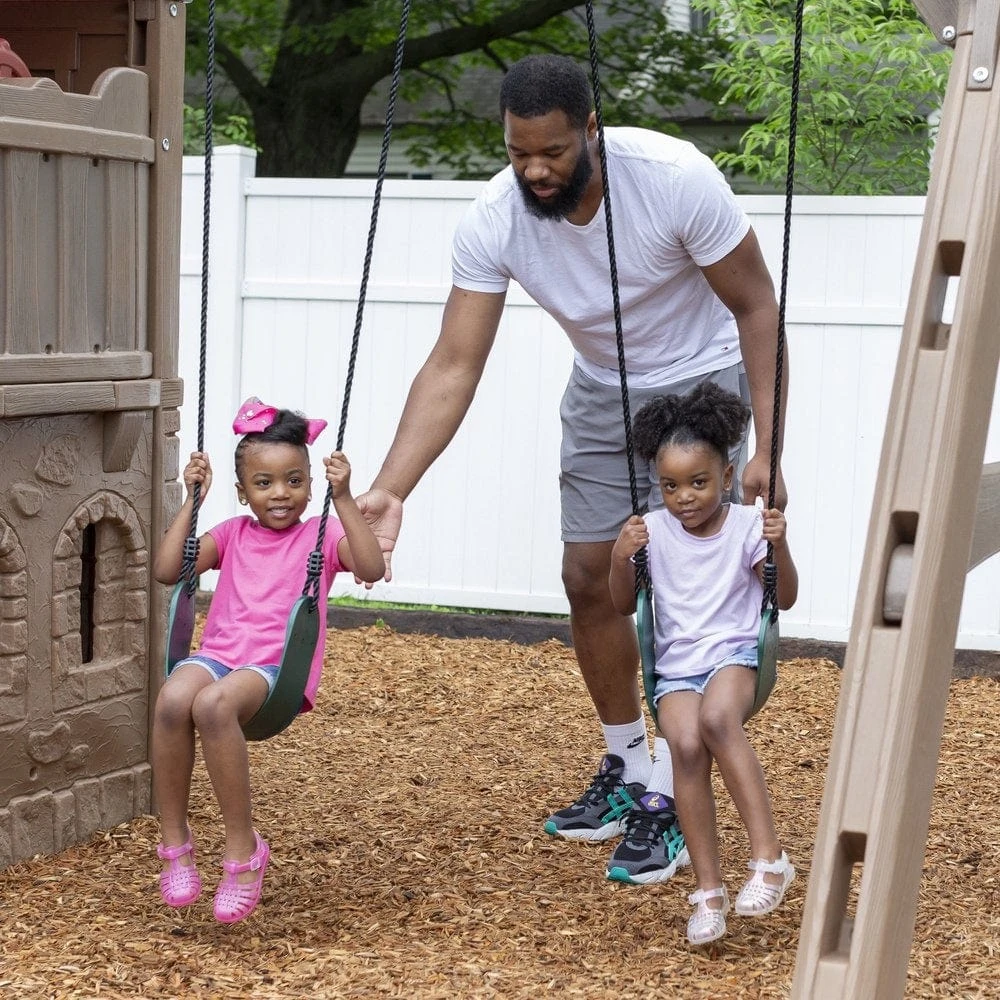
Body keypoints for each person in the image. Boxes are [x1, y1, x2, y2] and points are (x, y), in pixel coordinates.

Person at [355, 53, 788, 882]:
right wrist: (390, 486)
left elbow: (756, 305)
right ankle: (626, 764)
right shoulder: (496, 215)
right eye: (520, 153)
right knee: (590, 574)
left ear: (591, 129)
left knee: (684, 584)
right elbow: (454, 361)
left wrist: (768, 444)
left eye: (552, 151)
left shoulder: (672, 177)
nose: (536, 170)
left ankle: (671, 790)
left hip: (702, 383)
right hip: (600, 389)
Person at [151, 398, 384, 923]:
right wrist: (192, 499)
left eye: (295, 480)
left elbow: (369, 565)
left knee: (212, 707)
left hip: (273, 671)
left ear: (309, 483)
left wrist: (343, 497)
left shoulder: (320, 534)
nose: (280, 493)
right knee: (171, 699)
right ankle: (175, 840)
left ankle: (242, 849)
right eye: (264, 483)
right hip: (218, 655)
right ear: (242, 491)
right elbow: (169, 570)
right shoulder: (231, 534)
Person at [609, 382, 797, 944]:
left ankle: (769, 858)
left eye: (698, 482)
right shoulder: (652, 530)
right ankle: (708, 895)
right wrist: (622, 555)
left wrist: (778, 545)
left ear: (727, 472)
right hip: (677, 669)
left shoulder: (746, 524)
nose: (684, 497)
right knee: (685, 748)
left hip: (737, 655)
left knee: (717, 722)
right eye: (670, 485)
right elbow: (623, 604)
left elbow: (782, 597)